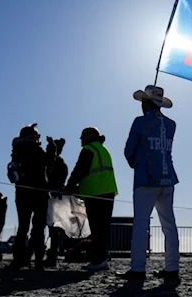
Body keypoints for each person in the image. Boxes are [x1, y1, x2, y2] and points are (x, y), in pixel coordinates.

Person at [117, 85, 180, 280]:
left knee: (141, 224)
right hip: (167, 178)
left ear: (146, 102)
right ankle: (172, 268)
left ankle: (137, 269)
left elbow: (129, 150)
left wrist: (135, 163)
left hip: (146, 178)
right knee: (169, 225)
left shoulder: (140, 122)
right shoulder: (171, 124)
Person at [6, 123, 57, 271]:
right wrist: (52, 147)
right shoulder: (35, 149)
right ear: (30, 136)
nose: (38, 138)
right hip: (39, 193)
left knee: (23, 227)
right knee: (38, 228)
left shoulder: (16, 150)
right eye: (37, 135)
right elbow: (48, 162)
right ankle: (38, 262)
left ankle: (18, 260)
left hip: (21, 192)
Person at [66, 127, 118, 272]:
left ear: (89, 136)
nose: (80, 139)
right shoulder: (103, 149)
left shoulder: (89, 149)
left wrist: (69, 186)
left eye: (82, 136)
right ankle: (103, 259)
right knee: (103, 228)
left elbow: (80, 170)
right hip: (108, 192)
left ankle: (98, 261)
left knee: (96, 228)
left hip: (95, 192)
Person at [45, 138, 68, 267]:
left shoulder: (55, 164)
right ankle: (51, 255)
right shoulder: (61, 164)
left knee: (52, 229)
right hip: (56, 198)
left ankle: (52, 256)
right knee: (53, 229)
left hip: (52, 198)